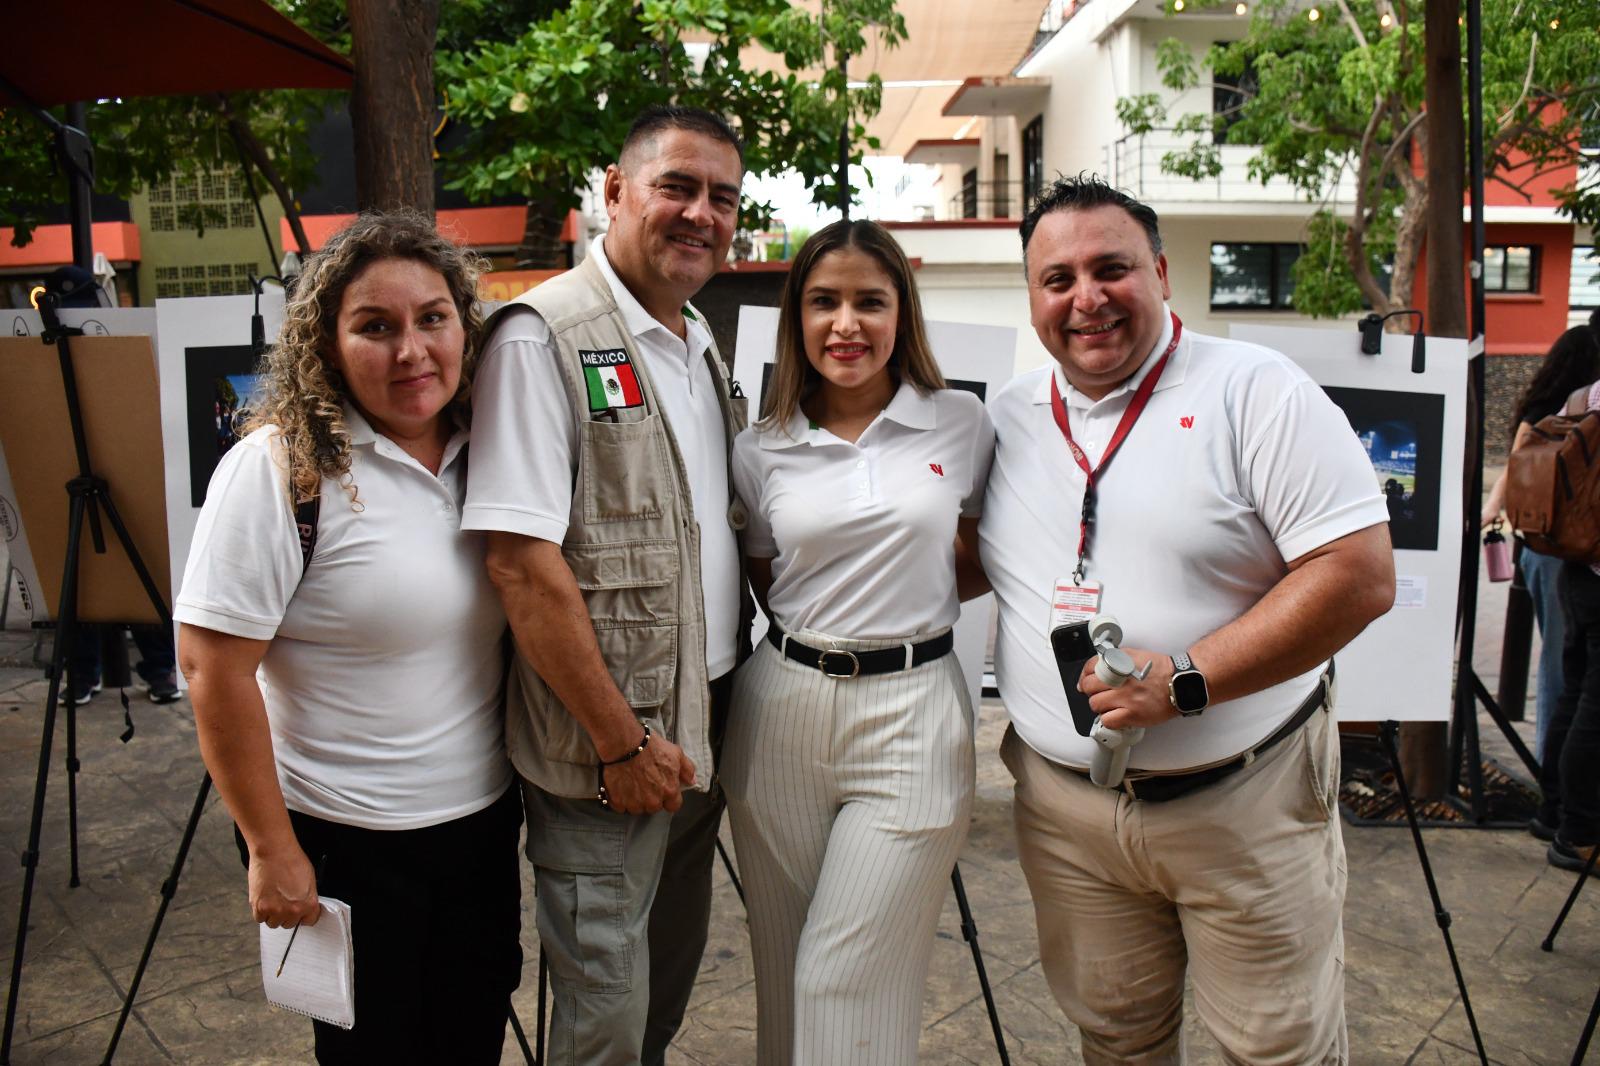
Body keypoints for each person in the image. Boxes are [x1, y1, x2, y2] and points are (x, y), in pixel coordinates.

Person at [978, 174, 1395, 1063]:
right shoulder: (1007, 417)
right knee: (1116, 1039)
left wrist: (1189, 679)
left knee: (1274, 1050)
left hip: (1242, 804)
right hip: (1067, 814)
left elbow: (1357, 576)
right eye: (1058, 279)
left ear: (1162, 273)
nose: (1086, 298)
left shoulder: (1259, 391)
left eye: (1111, 268)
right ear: (1033, 297)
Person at [175, 211, 521, 1064]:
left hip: (478, 829)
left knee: (473, 1040)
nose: (412, 351)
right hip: (347, 843)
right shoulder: (282, 471)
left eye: (432, 319)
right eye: (376, 326)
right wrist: (270, 849)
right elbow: (210, 670)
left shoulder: (495, 451)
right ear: (327, 344)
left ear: (463, 327)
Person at [463, 105, 748, 1066]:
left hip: (701, 723)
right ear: (616, 192)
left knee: (661, 993)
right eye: (677, 186)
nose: (701, 214)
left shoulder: (696, 340)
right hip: (606, 753)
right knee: (603, 1020)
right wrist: (619, 740)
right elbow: (518, 562)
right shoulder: (540, 337)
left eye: (722, 197)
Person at [723, 220, 993, 1065]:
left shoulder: (961, 422)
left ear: (901, 314)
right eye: (824, 302)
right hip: (784, 710)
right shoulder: (759, 446)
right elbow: (767, 574)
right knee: (785, 973)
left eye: (870, 302)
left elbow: (984, 552)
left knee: (842, 973)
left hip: (914, 707)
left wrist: (900, 600)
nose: (847, 324)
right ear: (796, 320)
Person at [1481, 324, 1600, 800]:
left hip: (1544, 548)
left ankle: (1554, 794)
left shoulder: (1557, 406)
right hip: (1571, 552)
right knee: (1566, 676)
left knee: (1564, 674)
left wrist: (1492, 514)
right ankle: (1561, 797)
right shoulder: (1585, 409)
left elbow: (1516, 469)